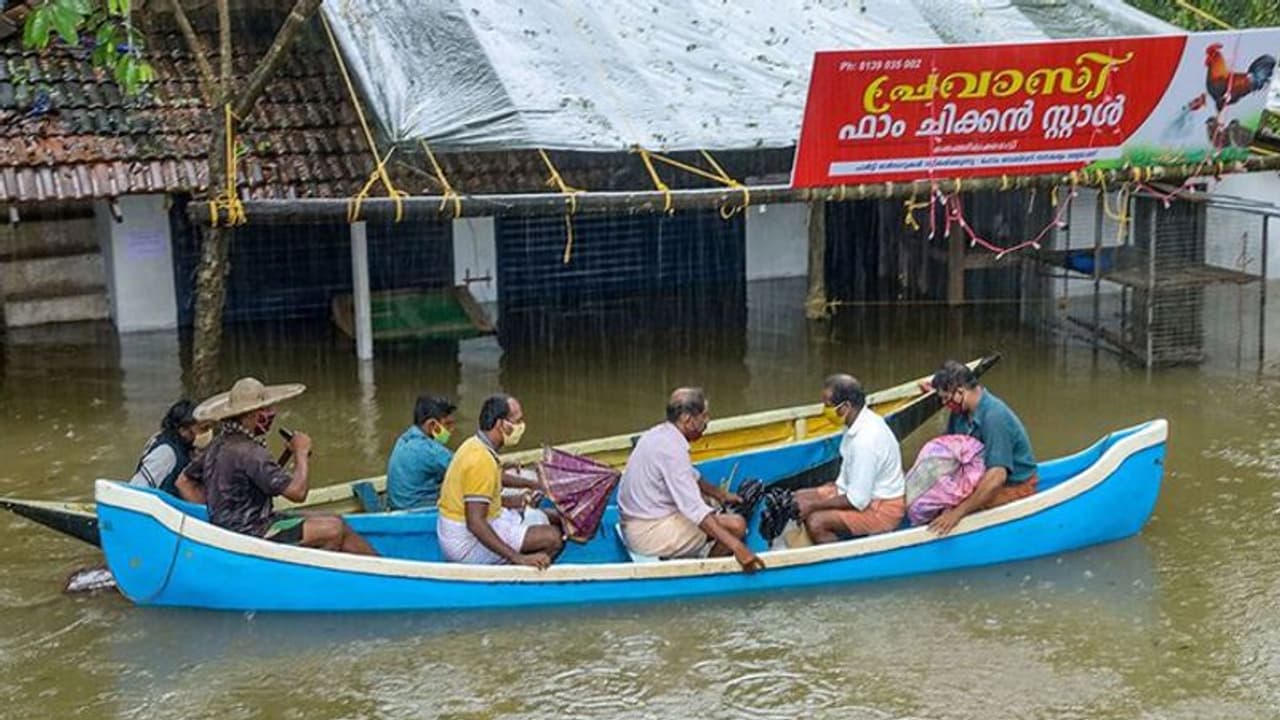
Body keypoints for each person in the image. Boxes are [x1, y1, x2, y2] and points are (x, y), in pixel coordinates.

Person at [175, 377, 377, 555]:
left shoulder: (219, 443)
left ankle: (379, 567)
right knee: (333, 529)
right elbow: (298, 493)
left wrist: (216, 514)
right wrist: (301, 453)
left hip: (237, 526)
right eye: (265, 410)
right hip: (254, 531)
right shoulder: (251, 451)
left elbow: (184, 481)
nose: (271, 413)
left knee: (334, 519)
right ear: (250, 415)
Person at [617, 388, 764, 572]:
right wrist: (738, 548)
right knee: (737, 526)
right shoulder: (673, 451)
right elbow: (695, 510)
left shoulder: (658, 434)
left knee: (709, 503)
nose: (707, 421)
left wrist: (721, 495)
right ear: (688, 420)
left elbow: (690, 474)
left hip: (637, 521)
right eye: (704, 416)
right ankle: (710, 570)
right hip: (647, 534)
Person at [436, 393, 564, 567]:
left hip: (471, 524)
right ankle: (514, 568)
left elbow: (495, 476)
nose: (521, 426)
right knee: (553, 539)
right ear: (500, 424)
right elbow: (475, 523)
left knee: (553, 517)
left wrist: (535, 484)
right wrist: (517, 557)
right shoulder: (480, 460)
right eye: (517, 421)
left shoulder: (475, 444)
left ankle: (522, 553)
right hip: (465, 542)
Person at [924, 360, 1038, 536]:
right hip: (977, 478)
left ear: (960, 391)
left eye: (946, 398)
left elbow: (997, 477)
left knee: (959, 510)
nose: (945, 404)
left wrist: (958, 512)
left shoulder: (994, 417)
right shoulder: (960, 412)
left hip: (1012, 484)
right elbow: (948, 452)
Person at [791, 374, 906, 544]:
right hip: (857, 493)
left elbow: (858, 500)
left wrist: (814, 506)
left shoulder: (865, 441)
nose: (824, 410)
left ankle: (838, 554)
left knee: (816, 522)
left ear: (845, 406)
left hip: (881, 508)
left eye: (828, 405)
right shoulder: (857, 422)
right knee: (797, 498)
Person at [386, 394, 457, 510]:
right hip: (417, 510)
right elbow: (462, 468)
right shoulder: (431, 451)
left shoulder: (404, 439)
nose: (451, 429)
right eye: (447, 424)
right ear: (432, 425)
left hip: (397, 505)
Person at [129, 399, 212, 496]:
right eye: (202, 429)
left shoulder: (185, 448)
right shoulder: (166, 453)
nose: (206, 433)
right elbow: (138, 488)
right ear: (183, 429)